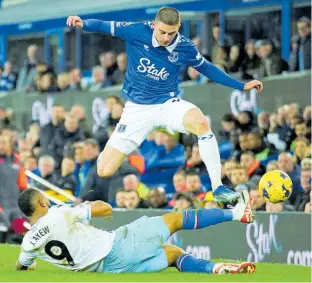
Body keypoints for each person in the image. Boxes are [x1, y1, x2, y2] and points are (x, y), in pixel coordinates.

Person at [67, 7, 263, 203]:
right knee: (104, 170)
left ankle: (218, 187)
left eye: (172, 33)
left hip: (167, 104)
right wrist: (83, 23)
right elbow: (104, 25)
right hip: (136, 110)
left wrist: (241, 85)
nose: (167, 37)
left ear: (178, 28)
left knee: (202, 124)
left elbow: (208, 69)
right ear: (153, 25)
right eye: (162, 32)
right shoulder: (137, 31)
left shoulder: (184, 46)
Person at [16, 188, 255, 274]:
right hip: (116, 247)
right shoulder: (58, 214)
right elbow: (104, 207)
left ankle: (217, 269)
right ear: (43, 203)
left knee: (172, 254)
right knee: (174, 219)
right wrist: (87, 208)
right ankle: (237, 213)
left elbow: (22, 265)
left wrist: (29, 265)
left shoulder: (28, 242)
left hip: (108, 270)